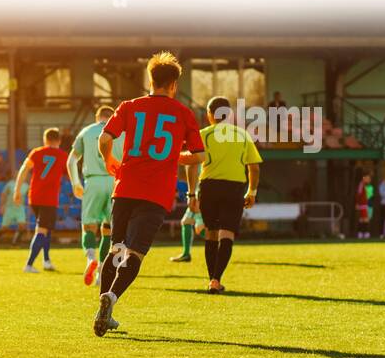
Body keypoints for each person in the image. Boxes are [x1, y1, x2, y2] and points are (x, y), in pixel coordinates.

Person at [92, 52, 206, 336]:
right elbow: (199, 155)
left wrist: (108, 160)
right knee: (136, 253)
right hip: (156, 192)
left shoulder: (130, 106)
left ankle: (103, 305)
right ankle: (112, 297)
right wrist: (173, 157)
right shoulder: (183, 113)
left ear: (150, 80)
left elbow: (105, 138)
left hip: (126, 185)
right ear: (174, 85)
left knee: (116, 247)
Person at [187, 96, 262, 293]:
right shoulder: (241, 135)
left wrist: (191, 194)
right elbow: (254, 168)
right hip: (234, 188)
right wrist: (251, 192)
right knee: (227, 233)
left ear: (209, 115)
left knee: (211, 233)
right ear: (229, 115)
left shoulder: (203, 134)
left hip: (209, 187)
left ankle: (212, 279)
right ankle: (216, 279)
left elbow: (192, 163)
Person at [68, 105, 122, 284]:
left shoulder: (86, 131)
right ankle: (101, 273)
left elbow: (71, 160)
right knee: (109, 229)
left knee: (88, 226)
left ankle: (91, 258)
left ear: (97, 117)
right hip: (115, 181)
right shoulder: (121, 132)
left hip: (93, 181)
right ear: (112, 116)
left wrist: (76, 183)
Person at [14, 127, 67, 272]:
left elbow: (24, 169)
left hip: (34, 197)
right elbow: (71, 172)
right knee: (42, 230)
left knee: (46, 229)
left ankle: (46, 260)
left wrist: (17, 190)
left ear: (45, 140)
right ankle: (29, 264)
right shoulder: (63, 155)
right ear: (59, 140)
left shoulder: (36, 153)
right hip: (49, 198)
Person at [0, 176, 28, 246]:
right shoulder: (10, 184)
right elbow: (3, 194)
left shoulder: (26, 186)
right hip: (10, 208)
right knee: (4, 227)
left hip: (20, 208)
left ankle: (15, 242)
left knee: (22, 225)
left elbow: (30, 194)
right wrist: (2, 206)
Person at [355, 172, 372, 238]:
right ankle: (362, 233)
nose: (368, 179)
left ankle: (365, 233)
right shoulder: (361, 184)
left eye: (369, 178)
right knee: (363, 219)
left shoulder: (368, 185)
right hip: (363, 205)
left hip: (367, 205)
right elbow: (358, 195)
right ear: (364, 178)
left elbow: (370, 196)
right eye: (367, 178)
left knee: (365, 219)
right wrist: (357, 203)